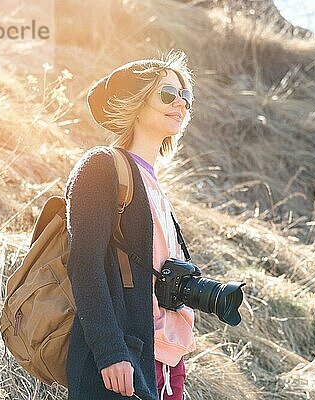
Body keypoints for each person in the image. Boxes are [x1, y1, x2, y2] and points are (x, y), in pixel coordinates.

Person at [64, 49, 196, 400]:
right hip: (124, 359)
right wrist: (110, 352)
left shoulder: (157, 189)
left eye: (185, 96)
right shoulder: (102, 167)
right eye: (168, 94)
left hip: (168, 362)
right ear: (136, 101)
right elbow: (84, 264)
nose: (180, 103)